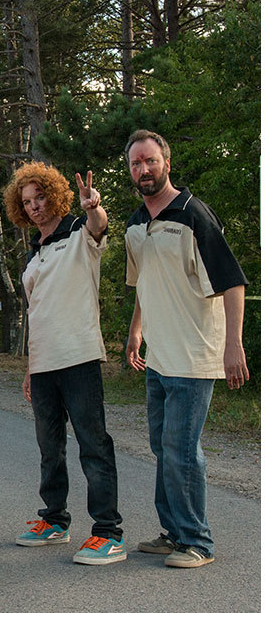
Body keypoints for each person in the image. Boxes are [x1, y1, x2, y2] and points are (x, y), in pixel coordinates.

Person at [123, 129, 249, 568]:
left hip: (195, 357)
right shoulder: (136, 224)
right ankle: (173, 532)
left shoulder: (194, 214)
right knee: (162, 446)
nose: (144, 169)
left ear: (166, 163)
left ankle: (198, 542)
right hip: (158, 356)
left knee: (181, 448)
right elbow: (143, 284)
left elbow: (232, 282)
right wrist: (136, 330)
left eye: (151, 161)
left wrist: (234, 346)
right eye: (137, 163)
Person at [4, 162, 125, 565]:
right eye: (27, 201)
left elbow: (99, 226)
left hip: (79, 358)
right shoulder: (33, 253)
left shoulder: (78, 233)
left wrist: (94, 208)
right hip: (43, 365)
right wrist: (29, 367)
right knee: (49, 448)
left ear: (54, 195)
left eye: (40, 197)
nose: (35, 206)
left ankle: (108, 532)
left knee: (93, 445)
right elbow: (37, 312)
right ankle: (54, 520)